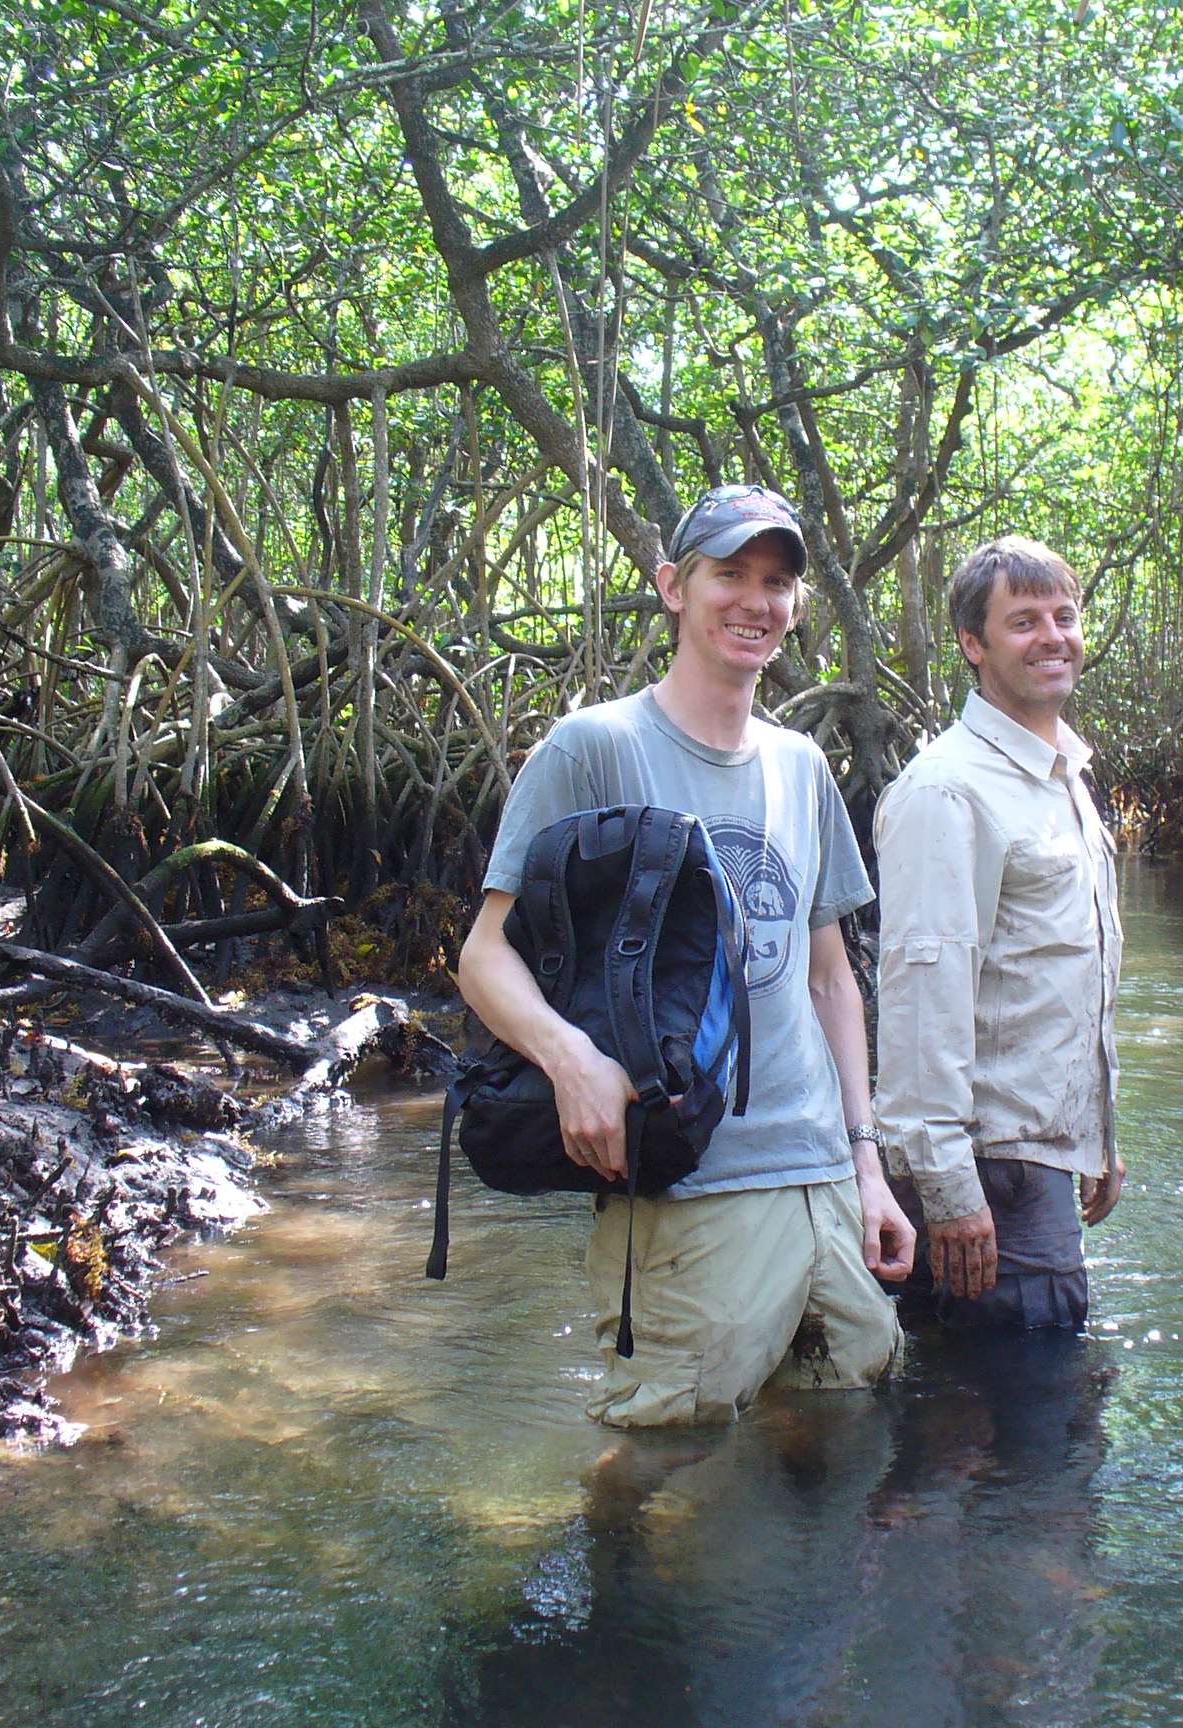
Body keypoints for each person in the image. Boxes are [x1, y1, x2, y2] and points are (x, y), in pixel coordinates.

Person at [458, 483, 916, 1427]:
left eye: (778, 582)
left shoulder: (802, 765)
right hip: (688, 1187)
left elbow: (830, 977)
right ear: (673, 586)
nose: (757, 600)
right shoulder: (593, 747)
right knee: (669, 1473)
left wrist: (867, 1166)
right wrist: (570, 1058)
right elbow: (483, 958)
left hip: (822, 1178)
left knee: (837, 1438)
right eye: (730, 575)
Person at [873, 534, 1124, 1330]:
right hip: (988, 1174)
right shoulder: (948, 791)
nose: (1053, 636)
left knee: (1019, 1425)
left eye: (1065, 615)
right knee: (1017, 1429)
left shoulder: (1061, 779)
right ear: (973, 645)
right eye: (1023, 622)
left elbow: (1057, 979)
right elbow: (923, 993)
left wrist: (1098, 1137)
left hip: (1041, 1157)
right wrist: (947, 1192)